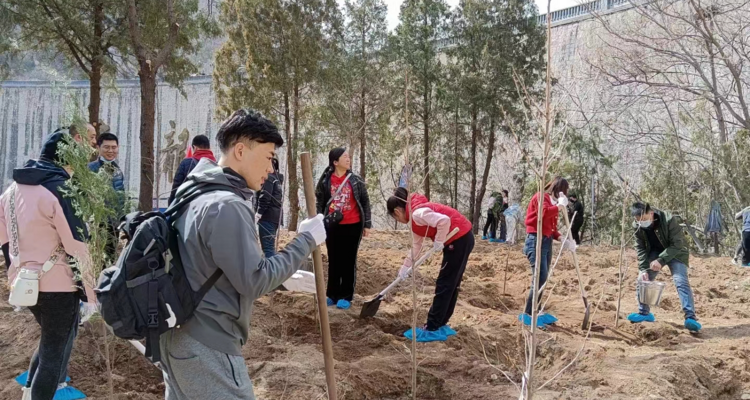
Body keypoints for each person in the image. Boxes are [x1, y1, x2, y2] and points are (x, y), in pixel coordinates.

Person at [159, 109, 326, 400]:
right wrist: (306, 241)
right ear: (240, 150)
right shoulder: (228, 205)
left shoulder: (194, 191)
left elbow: (211, 265)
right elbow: (255, 280)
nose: (272, 169)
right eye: (269, 157)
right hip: (208, 345)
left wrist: (285, 277)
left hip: (177, 339)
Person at [0, 129, 95, 400]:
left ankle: (29, 390)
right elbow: (78, 246)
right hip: (59, 286)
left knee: (50, 341)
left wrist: (14, 271)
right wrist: (90, 295)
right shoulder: (60, 189)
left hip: (26, 285)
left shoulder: (11, 190)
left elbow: (4, 238)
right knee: (54, 354)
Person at [387, 187, 474, 342]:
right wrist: (405, 267)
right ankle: (441, 323)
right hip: (462, 236)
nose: (398, 221)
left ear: (397, 212)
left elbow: (444, 221)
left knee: (445, 284)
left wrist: (440, 240)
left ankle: (433, 327)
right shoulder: (415, 216)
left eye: (395, 218)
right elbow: (416, 246)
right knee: (451, 284)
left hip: (458, 238)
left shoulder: (417, 213)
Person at [628, 202, 701, 332]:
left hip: (676, 252)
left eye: (644, 219)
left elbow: (678, 243)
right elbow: (640, 248)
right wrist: (644, 268)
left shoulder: (668, 219)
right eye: (638, 221)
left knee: (680, 281)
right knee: (642, 279)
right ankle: (644, 313)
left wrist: (661, 260)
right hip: (654, 252)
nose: (641, 223)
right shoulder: (637, 226)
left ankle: (690, 317)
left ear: (651, 213)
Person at [315, 147, 372, 310]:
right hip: (332, 226)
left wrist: (367, 224)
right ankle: (331, 294)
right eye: (345, 157)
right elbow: (320, 201)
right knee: (334, 259)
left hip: (353, 226)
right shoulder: (326, 180)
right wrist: (319, 219)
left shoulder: (355, 180)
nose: (348, 159)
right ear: (335, 162)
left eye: (349, 156)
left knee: (348, 260)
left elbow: (365, 202)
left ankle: (346, 296)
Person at [519, 177, 577, 328]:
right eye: (564, 191)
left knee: (543, 279)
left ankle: (536, 311)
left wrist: (563, 239)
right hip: (535, 241)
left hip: (546, 242)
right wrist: (558, 207)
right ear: (558, 189)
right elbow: (543, 214)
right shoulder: (541, 197)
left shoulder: (552, 203)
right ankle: (528, 314)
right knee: (539, 277)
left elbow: (551, 228)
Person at [168, 134, 216, 205]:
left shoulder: (186, 163)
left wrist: (171, 205)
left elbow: (176, 186)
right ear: (209, 148)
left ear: (194, 147)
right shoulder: (217, 166)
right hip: (211, 207)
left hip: (190, 207)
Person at [255, 158, 284, 258]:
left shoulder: (269, 178)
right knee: (270, 247)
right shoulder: (277, 180)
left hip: (267, 216)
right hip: (275, 217)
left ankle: (272, 272)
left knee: (267, 249)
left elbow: (265, 195)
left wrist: (259, 213)